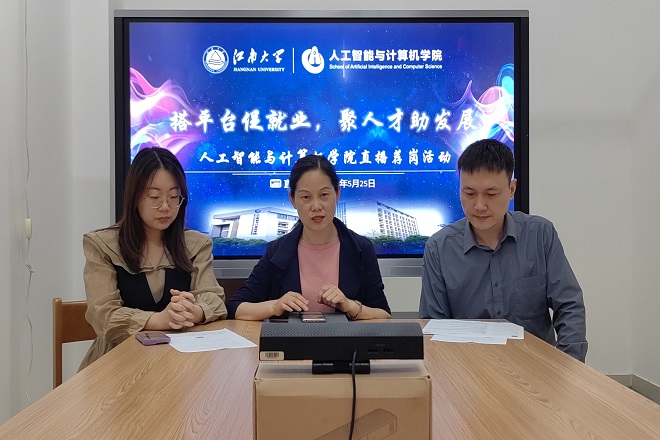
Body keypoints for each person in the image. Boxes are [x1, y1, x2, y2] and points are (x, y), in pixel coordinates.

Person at [419, 139, 588, 361]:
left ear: (511, 189)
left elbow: (569, 307)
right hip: (470, 367)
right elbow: (434, 329)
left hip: (536, 366)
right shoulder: (439, 249)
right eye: (469, 193)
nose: (479, 206)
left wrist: (568, 367)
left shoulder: (540, 235)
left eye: (491, 194)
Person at [80, 147, 227, 369]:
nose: (165, 207)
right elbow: (103, 317)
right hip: (116, 363)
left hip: (178, 363)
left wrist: (192, 312)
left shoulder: (196, 244)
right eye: (155, 197)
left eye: (174, 197)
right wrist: (160, 319)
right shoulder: (103, 245)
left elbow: (214, 298)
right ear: (135, 197)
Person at [227, 155, 391, 321]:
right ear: (292, 200)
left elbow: (383, 315)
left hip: (347, 338)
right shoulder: (277, 251)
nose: (316, 206)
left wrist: (350, 305)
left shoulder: (361, 248)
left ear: (337, 193)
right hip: (292, 338)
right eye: (306, 197)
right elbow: (236, 308)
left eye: (324, 195)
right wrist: (275, 306)